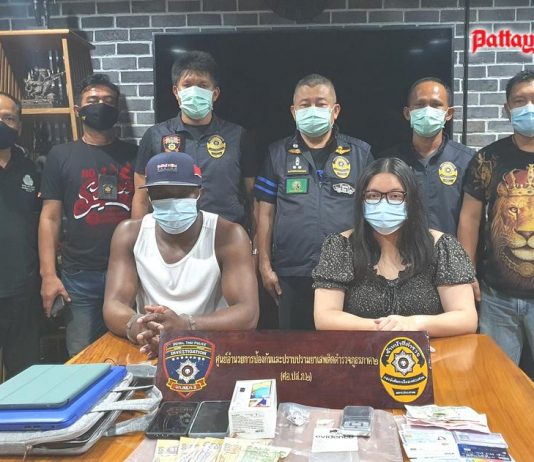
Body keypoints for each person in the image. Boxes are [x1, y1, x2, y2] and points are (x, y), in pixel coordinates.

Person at [103, 152, 259, 358]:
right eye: (161, 194)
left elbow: (247, 313)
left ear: (199, 192)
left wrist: (186, 326)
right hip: (150, 348)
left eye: (181, 193)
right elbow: (113, 304)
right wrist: (141, 328)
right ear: (148, 196)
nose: (172, 201)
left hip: (211, 345)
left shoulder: (227, 235)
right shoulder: (129, 234)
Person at [255, 74, 373, 330]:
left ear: (335, 111)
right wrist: (264, 265)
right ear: (293, 111)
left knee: (344, 346)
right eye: (305, 104)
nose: (312, 110)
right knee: (293, 347)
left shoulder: (360, 154)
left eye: (320, 103)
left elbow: (372, 211)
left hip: (348, 270)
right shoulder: (277, 153)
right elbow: (264, 213)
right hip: (291, 271)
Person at [313, 157, 477, 337]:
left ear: (411, 199)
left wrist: (413, 324)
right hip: (361, 350)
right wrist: (385, 328)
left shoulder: (442, 246)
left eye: (395, 196)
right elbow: (325, 317)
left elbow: (466, 318)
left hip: (428, 351)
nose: (383, 204)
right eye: (373, 195)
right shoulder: (340, 246)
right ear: (361, 199)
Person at [39, 74, 137, 357]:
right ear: (77, 109)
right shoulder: (61, 155)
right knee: (83, 356)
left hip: (129, 271)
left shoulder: (135, 154)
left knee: (131, 352)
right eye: (93, 100)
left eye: (108, 101)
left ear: (117, 110)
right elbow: (49, 218)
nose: (100, 105)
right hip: (79, 275)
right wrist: (48, 275)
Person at [132, 50, 258, 234]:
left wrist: (256, 245)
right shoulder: (155, 136)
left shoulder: (237, 136)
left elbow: (253, 197)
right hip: (170, 237)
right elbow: (141, 197)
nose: (195, 91)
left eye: (203, 85)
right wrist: (139, 240)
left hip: (226, 238)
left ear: (215, 93)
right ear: (176, 91)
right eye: (187, 85)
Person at [458, 69, 534, 365]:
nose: (528, 107)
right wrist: (467, 274)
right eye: (519, 101)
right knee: (496, 378)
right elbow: (470, 220)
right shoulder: (487, 159)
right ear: (507, 108)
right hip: (496, 297)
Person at [378, 77, 474, 235]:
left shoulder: (467, 161)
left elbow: (472, 220)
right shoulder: (387, 162)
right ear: (407, 113)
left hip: (450, 250)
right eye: (420, 104)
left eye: (436, 105)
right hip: (401, 249)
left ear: (449, 113)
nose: (427, 111)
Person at [0, 91, 41, 377]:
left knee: (24, 376)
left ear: (19, 125)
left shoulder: (30, 168)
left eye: (8, 118)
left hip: (21, 291)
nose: (2, 124)